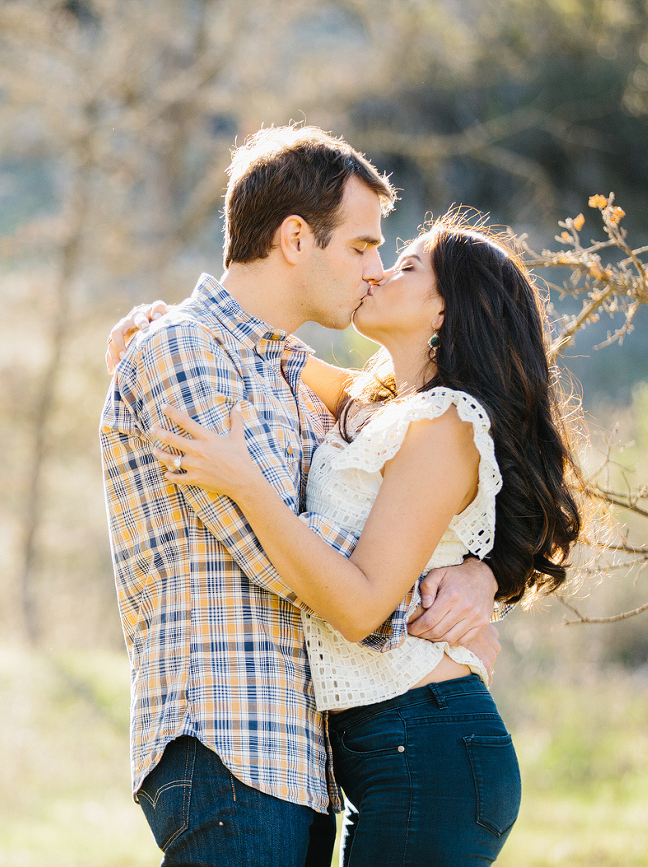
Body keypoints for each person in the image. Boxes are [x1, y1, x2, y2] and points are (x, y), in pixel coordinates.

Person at [99, 125, 502, 867]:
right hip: (228, 741)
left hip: (302, 758)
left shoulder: (295, 383)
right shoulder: (187, 351)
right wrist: (414, 592)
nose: (375, 270)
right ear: (293, 239)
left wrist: (479, 571)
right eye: (360, 247)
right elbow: (287, 560)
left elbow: (429, 487)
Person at [144, 214, 583, 864]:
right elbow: (261, 351)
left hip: (426, 741)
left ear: (444, 311)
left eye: (407, 267)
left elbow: (359, 608)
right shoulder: (373, 404)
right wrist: (165, 324)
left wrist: (247, 486)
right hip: (387, 746)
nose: (378, 270)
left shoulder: (444, 422)